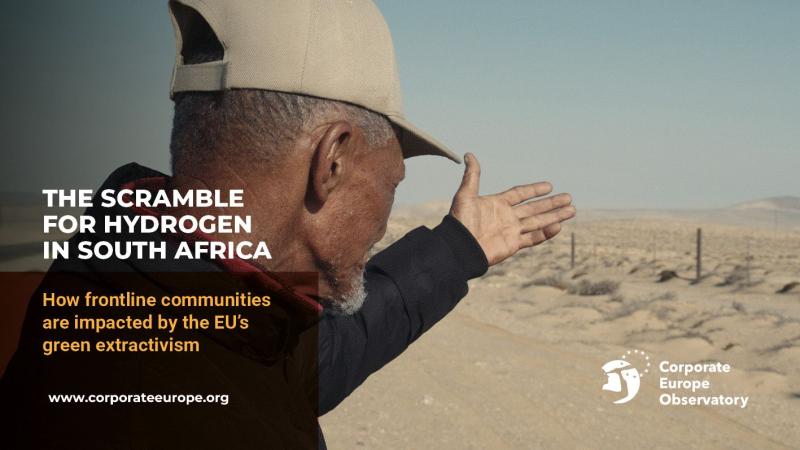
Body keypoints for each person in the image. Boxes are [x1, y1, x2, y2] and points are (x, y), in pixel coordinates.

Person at [0, 1, 574, 448]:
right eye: (391, 183)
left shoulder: (180, 288)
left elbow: (311, 359)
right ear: (333, 161)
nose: (384, 218)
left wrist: (458, 248)